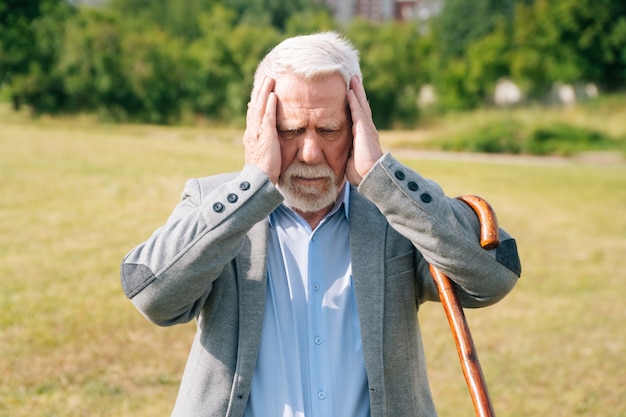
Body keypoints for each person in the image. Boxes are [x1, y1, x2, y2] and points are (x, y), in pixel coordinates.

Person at [120, 32, 521, 417]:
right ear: (260, 127)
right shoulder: (216, 204)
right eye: (291, 130)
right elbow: (154, 297)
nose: (310, 153)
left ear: (358, 125)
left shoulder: (395, 210)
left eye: (329, 130)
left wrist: (383, 177)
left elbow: (493, 278)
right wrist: (251, 185)